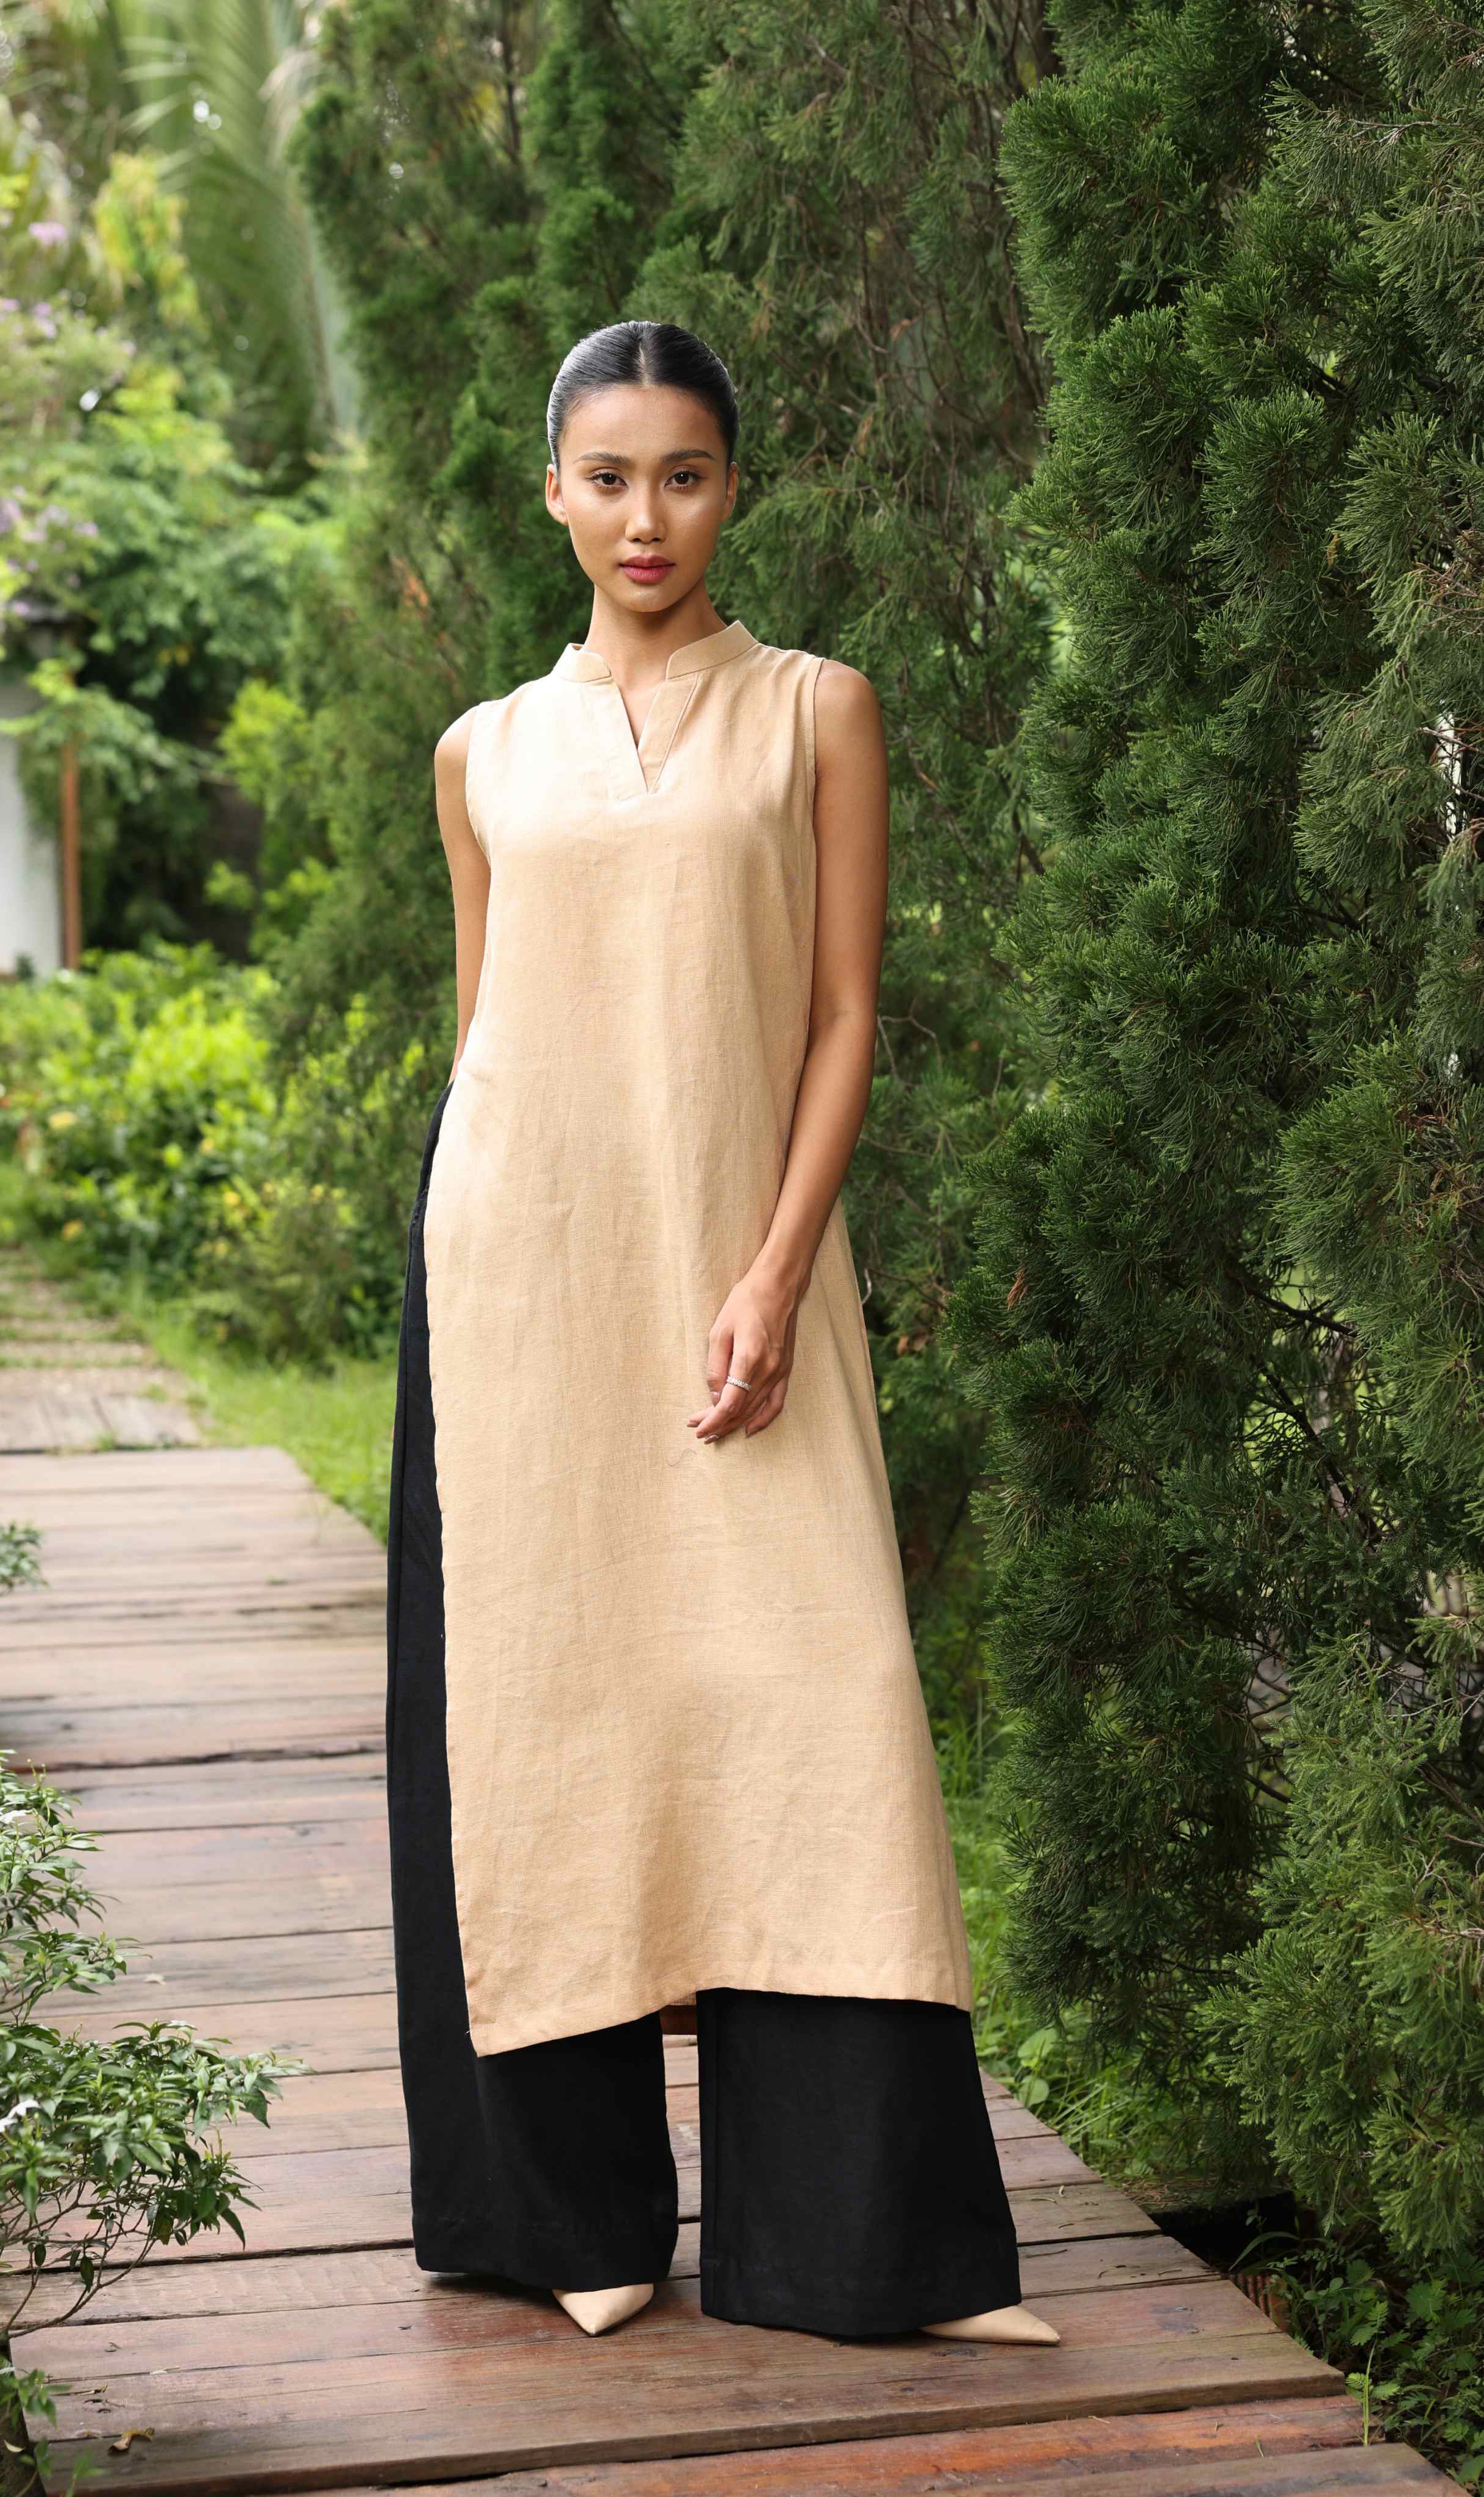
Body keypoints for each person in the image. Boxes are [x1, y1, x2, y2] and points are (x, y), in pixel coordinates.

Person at [385, 318, 1059, 2347]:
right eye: (606, 477)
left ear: (732, 486)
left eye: (682, 472)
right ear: (553, 495)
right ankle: (563, 2226)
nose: (643, 514)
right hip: (519, 1286)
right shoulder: (482, 751)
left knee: (814, 1701)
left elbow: (843, 1010)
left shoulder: (814, 712)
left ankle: (861, 2251)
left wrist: (770, 1273)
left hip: (741, 1274)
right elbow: (487, 1031)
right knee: (541, 1714)